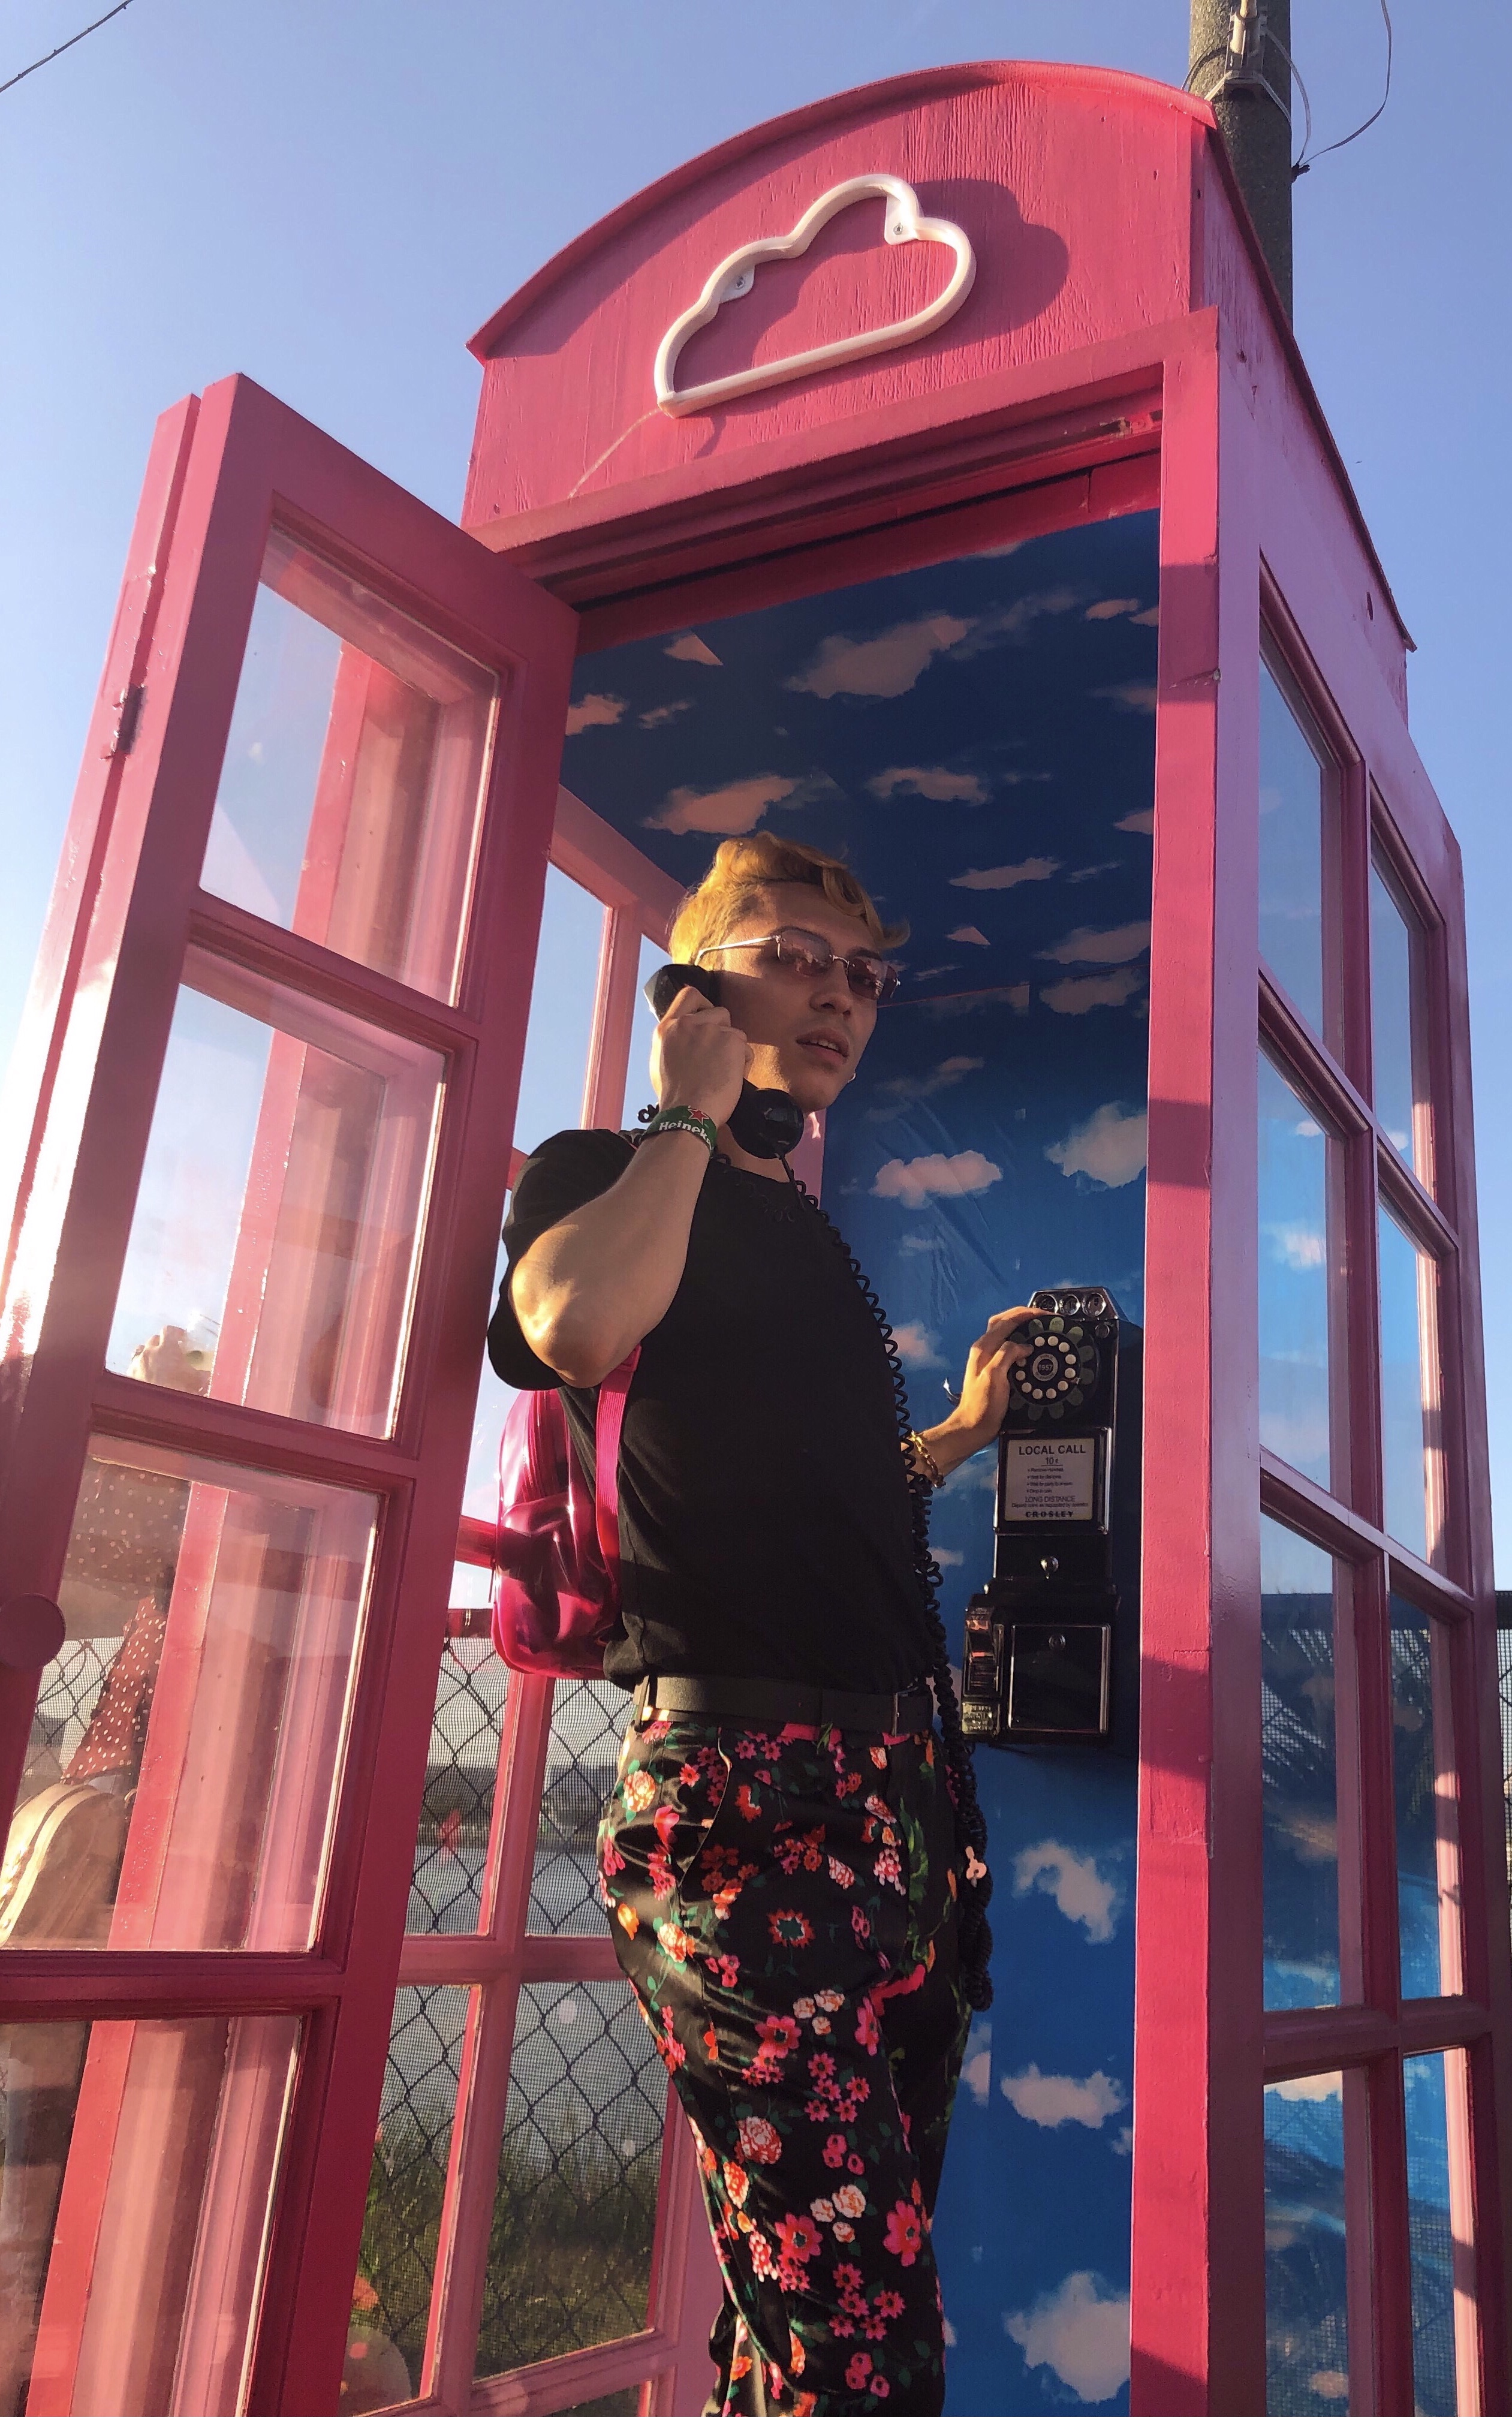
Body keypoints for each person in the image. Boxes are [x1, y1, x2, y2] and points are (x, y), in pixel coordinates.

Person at [487, 833, 1029, 2416]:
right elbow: (575, 1325)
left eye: (861, 977)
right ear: (694, 982)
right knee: (859, 2344)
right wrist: (680, 1109)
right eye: (791, 956)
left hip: (896, 1801)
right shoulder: (601, 1169)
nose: (839, 1000)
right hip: (739, 1790)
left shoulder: (796, 1227)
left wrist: (961, 1436)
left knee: (803, 2299)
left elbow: (817, 1501)